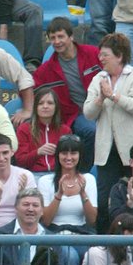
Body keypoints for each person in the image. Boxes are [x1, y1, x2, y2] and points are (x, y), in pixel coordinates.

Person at [83, 31, 133, 231]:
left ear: (119, 56)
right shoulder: (98, 78)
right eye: (100, 54)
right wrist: (100, 98)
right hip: (108, 152)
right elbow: (88, 113)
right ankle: (104, 247)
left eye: (105, 55)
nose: (101, 58)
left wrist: (114, 95)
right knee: (105, 200)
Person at [32, 16, 101, 163]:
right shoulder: (47, 69)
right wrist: (25, 109)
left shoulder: (93, 53)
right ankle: (83, 173)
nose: (57, 42)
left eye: (61, 36)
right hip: (77, 114)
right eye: (52, 38)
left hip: (104, 108)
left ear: (71, 36)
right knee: (92, 131)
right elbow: (30, 87)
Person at [38, 133, 97, 265]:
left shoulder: (88, 179)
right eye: (64, 153)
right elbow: (45, 220)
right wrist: (59, 194)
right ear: (58, 155)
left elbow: (92, 220)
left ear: (79, 155)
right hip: (54, 235)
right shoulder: (46, 181)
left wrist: (83, 193)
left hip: (82, 234)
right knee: (69, 256)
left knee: (96, 255)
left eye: (73, 153)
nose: (69, 157)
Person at [13, 87, 72, 172]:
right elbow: (20, 161)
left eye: (50, 103)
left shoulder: (65, 130)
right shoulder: (24, 129)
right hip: (33, 174)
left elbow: (70, 159)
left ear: (56, 107)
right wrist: (38, 152)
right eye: (40, 103)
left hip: (57, 174)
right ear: (35, 107)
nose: (45, 106)